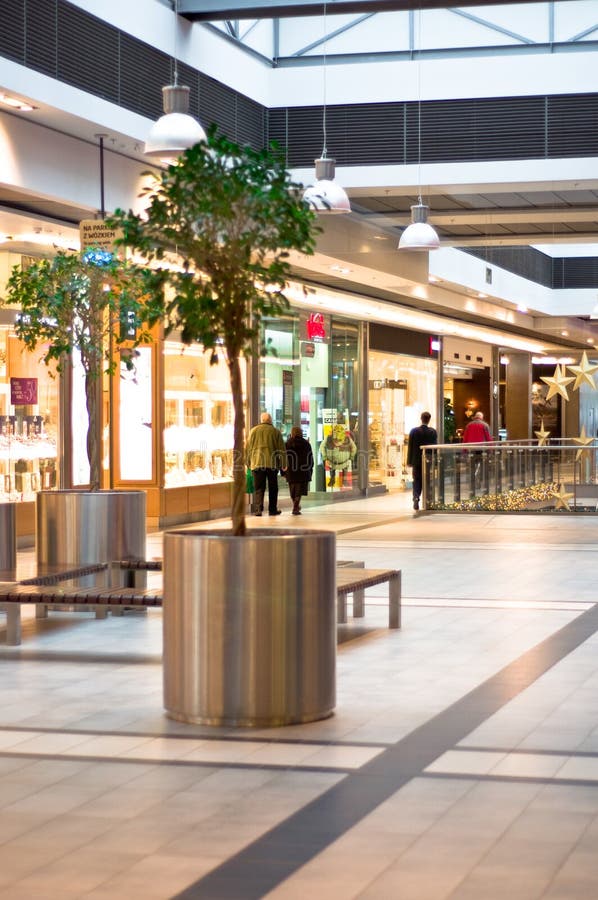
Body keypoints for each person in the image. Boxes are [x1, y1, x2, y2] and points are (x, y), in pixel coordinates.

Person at [246, 412, 287, 516]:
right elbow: (281, 449)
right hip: (272, 464)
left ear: (261, 420)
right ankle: (272, 509)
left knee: (259, 488)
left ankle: (258, 509)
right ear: (270, 420)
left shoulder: (253, 431)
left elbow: (247, 448)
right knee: (273, 487)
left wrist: (247, 462)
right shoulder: (275, 432)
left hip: (257, 463)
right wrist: (284, 463)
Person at [407, 411, 437, 511]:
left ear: (421, 418)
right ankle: (428, 501)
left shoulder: (414, 431)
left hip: (416, 461)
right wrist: (435, 461)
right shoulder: (433, 432)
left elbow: (410, 447)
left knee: (417, 480)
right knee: (428, 480)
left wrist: (409, 461)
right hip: (428, 461)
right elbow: (434, 448)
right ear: (429, 419)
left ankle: (416, 497)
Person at [285, 426, 314, 515]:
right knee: (299, 490)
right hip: (303, 470)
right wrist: (310, 468)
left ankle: (295, 505)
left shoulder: (287, 443)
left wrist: (283, 470)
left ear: (292, 433)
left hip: (291, 470)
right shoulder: (306, 444)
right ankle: (296, 506)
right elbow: (310, 458)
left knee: (292, 489)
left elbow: (283, 457)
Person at [320, 424, 357, 489]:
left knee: (343, 470)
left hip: (343, 462)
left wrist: (351, 457)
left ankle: (342, 481)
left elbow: (354, 447)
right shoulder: (328, 438)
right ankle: (335, 480)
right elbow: (322, 447)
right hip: (333, 462)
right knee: (334, 471)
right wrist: (325, 458)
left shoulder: (347, 438)